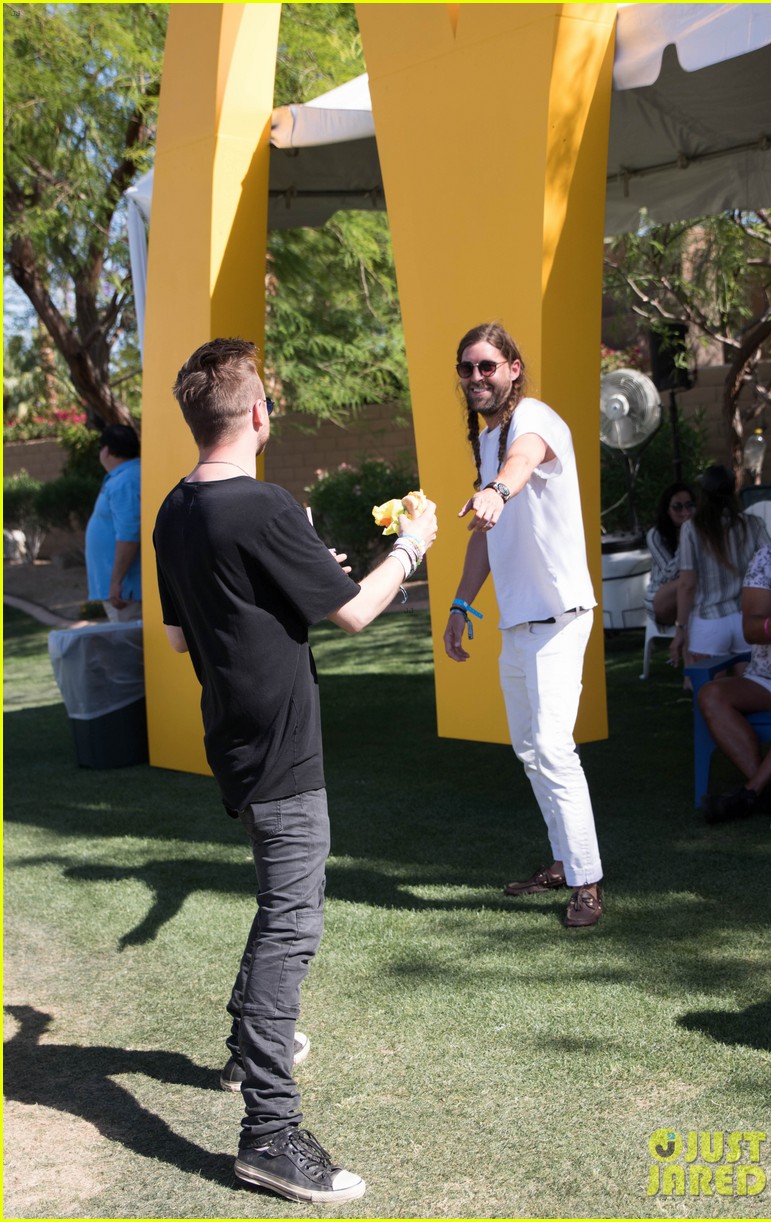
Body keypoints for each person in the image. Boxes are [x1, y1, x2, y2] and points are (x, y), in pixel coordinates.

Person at [153, 337, 437, 1204]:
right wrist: (414, 546)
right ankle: (269, 1135)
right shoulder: (265, 507)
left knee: (280, 904)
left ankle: (247, 1049)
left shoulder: (175, 509)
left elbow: (178, 632)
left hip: (234, 740)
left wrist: (287, 575)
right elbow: (354, 611)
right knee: (291, 922)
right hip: (279, 747)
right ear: (259, 414)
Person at [443, 322, 603, 928]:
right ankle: (563, 862)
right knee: (531, 750)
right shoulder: (486, 441)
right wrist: (460, 606)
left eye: (487, 366)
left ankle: (588, 881)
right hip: (518, 622)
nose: (477, 377)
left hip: (561, 618)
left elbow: (522, 460)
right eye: (467, 368)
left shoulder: (533, 416)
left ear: (513, 367)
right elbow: (485, 537)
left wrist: (498, 491)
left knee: (555, 750)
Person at [698, 489, 771, 822]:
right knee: (712, 694)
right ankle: (768, 791)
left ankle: (750, 793)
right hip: (765, 679)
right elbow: (750, 629)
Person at [669, 464, 769, 668]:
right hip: (747, 618)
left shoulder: (691, 529)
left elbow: (687, 584)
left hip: (708, 622)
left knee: (710, 694)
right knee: (748, 692)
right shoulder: (753, 524)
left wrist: (681, 628)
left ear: (703, 493)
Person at [85, 424, 142, 621]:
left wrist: (116, 582)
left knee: (131, 650)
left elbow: (129, 534)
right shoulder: (125, 477)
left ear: (107, 450)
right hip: (125, 591)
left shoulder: (126, 481)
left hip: (127, 593)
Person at [644, 482, 696, 625]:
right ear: (667, 510)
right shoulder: (655, 535)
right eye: (677, 507)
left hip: (689, 595)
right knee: (691, 579)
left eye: (689, 505)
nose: (684, 511)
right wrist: (686, 540)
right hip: (660, 596)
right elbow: (669, 574)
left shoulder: (700, 530)